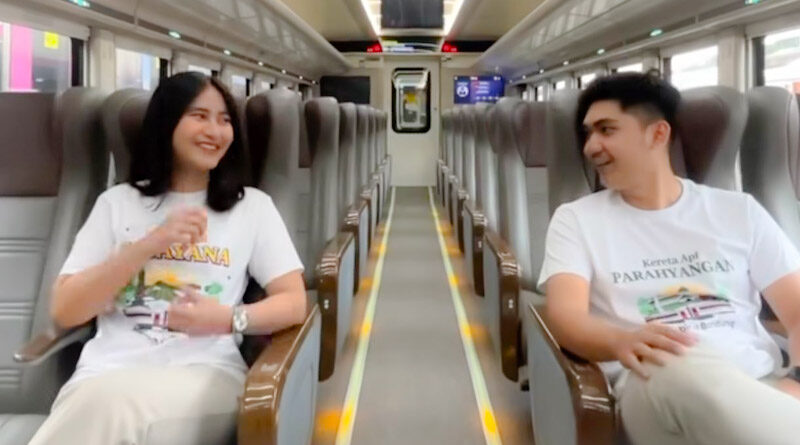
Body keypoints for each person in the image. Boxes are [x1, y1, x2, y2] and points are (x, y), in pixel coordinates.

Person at [29, 72, 307, 445]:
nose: (215, 131)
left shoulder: (252, 208)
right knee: (105, 403)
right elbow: (66, 310)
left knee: (113, 408)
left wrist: (228, 318)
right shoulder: (117, 203)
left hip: (205, 374)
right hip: (105, 374)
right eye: (200, 116)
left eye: (224, 120)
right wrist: (148, 245)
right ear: (167, 123)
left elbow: (294, 302)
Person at [538, 72, 800, 445]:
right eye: (587, 134)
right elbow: (566, 317)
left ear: (658, 134)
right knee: (675, 357)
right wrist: (621, 341)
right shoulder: (576, 220)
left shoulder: (739, 211)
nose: (591, 147)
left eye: (606, 130)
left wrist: (796, 380)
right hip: (652, 381)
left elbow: (796, 310)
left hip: (758, 382)